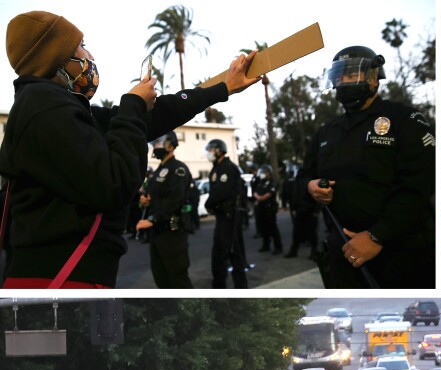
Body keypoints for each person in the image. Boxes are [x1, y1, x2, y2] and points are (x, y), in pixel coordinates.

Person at [0, 13, 258, 288]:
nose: (89, 55)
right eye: (82, 45)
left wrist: (223, 88)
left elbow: (157, 115)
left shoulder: (56, 107)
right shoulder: (45, 108)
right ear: (57, 56)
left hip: (67, 276)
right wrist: (133, 107)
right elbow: (115, 182)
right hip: (61, 282)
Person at [297, 46, 434, 289]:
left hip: (401, 254)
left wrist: (376, 236)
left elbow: (418, 185)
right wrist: (310, 187)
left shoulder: (404, 119)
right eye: (339, 76)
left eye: (351, 74)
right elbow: (302, 177)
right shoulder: (326, 133)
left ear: (374, 78)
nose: (344, 81)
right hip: (343, 255)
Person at [136, 131, 195, 287]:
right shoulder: (157, 171)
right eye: (154, 143)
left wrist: (153, 219)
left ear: (170, 145)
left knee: (178, 279)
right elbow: (155, 196)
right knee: (161, 277)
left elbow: (175, 200)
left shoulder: (178, 169)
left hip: (172, 232)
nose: (155, 146)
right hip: (157, 233)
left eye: (159, 142)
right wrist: (146, 200)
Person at [205, 138, 248, 288]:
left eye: (210, 150)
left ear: (218, 151)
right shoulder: (217, 168)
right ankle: (239, 286)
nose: (208, 153)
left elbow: (220, 192)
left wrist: (207, 203)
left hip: (229, 217)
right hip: (223, 216)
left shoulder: (228, 168)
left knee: (221, 253)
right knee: (232, 252)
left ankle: (221, 286)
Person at [251, 165, 282, 255]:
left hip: (269, 209)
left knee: (273, 228)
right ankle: (266, 245)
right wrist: (258, 197)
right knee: (263, 228)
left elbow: (269, 194)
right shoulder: (260, 182)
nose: (262, 174)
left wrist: (260, 198)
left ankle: (278, 247)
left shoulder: (272, 183)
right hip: (261, 209)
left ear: (269, 173)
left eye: (264, 172)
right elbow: (255, 192)